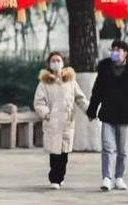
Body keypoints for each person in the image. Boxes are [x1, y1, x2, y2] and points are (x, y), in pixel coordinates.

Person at [88, 40, 128, 191]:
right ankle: (107, 177)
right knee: (107, 147)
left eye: (118, 50)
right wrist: (92, 110)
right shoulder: (105, 68)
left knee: (123, 150)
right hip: (108, 113)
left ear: (125, 53)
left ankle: (119, 177)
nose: (115, 52)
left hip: (126, 114)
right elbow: (97, 91)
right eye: (113, 49)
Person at [33, 52, 89, 189]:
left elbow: (80, 98)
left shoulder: (70, 81)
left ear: (63, 63)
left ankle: (61, 176)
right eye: (53, 60)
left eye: (58, 60)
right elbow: (39, 102)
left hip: (67, 122)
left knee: (64, 154)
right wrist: (47, 115)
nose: (56, 63)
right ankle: (54, 179)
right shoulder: (44, 83)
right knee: (55, 153)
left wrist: (90, 110)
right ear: (49, 64)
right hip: (53, 122)